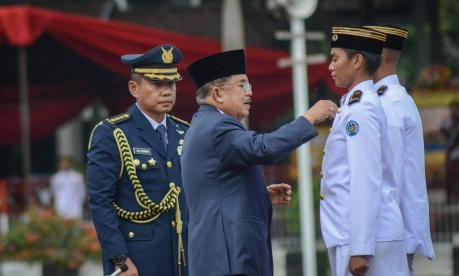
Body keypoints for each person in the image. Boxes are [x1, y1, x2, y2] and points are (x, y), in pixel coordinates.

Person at [181, 49, 337, 276]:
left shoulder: (203, 125)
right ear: (217, 93)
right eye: (242, 85)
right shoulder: (218, 127)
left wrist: (258, 195)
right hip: (229, 258)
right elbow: (264, 148)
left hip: (219, 256)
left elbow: (216, 190)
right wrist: (309, 119)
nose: (250, 92)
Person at [87, 44, 189, 276]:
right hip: (137, 259)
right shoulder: (112, 134)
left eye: (171, 84)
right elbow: (100, 202)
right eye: (156, 84)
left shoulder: (184, 132)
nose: (166, 91)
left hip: (182, 256)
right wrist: (119, 258)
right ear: (134, 88)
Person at [320, 25, 409, 276]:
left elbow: (365, 179)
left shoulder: (361, 109)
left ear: (357, 60)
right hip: (357, 234)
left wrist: (360, 247)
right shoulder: (356, 104)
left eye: (336, 58)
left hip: (364, 240)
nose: (330, 66)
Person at [366, 24, 436, 275]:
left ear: (380, 56)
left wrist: (376, 234)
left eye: (365, 50)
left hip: (390, 233)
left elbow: (390, 177)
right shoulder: (389, 99)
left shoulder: (390, 105)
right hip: (391, 232)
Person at [440, 101, 459, 203]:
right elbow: (442, 132)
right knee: (450, 180)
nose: (454, 111)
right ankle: (450, 200)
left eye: (456, 109)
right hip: (450, 156)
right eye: (453, 109)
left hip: (457, 155)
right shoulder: (446, 123)